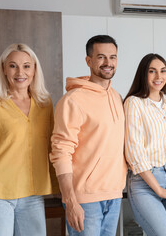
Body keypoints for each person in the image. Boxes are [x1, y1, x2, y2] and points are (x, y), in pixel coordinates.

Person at [0, 43, 58, 236]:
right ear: (3, 69)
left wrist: (60, 188)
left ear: (35, 69)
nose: (20, 72)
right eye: (13, 65)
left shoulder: (45, 104)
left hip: (33, 194)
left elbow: (51, 148)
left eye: (27, 66)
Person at [49, 35, 127, 236]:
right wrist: (71, 200)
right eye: (101, 57)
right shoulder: (73, 100)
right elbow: (61, 151)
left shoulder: (117, 97)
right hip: (85, 199)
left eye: (113, 57)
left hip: (114, 194)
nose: (108, 63)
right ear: (88, 60)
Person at [124, 53, 166, 236]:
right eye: (152, 71)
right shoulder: (134, 103)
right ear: (143, 74)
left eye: (163, 71)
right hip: (145, 183)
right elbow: (135, 154)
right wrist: (160, 190)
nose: (159, 77)